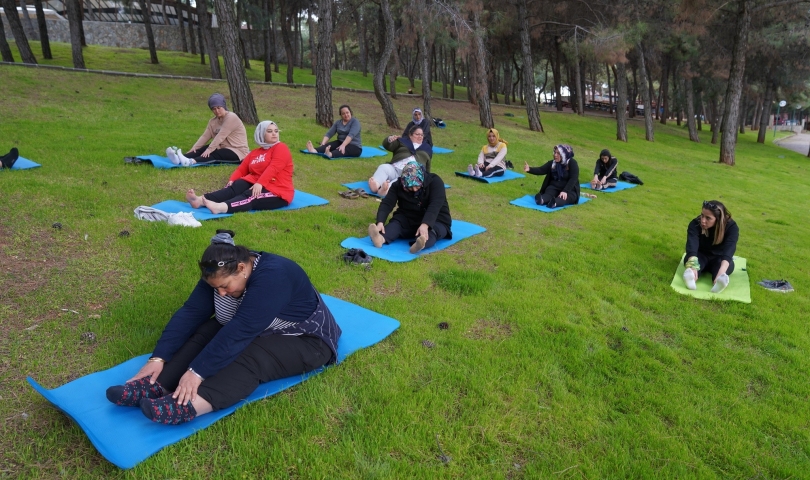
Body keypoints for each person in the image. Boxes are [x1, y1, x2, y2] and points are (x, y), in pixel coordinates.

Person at [106, 230, 342, 425]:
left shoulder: (275, 276)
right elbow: (191, 313)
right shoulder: (219, 273)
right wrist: (158, 358)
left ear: (242, 268)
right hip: (262, 327)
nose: (220, 293)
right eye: (215, 288)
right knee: (207, 331)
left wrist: (196, 373)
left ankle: (190, 404)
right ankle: (157, 385)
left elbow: (241, 330)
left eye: (225, 286)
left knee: (251, 354)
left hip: (308, 340)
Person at [185, 121, 294, 214]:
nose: (274, 134)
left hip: (278, 190)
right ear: (261, 134)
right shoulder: (255, 152)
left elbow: (274, 167)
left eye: (276, 131)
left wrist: (260, 183)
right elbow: (242, 169)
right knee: (236, 186)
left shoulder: (281, 148)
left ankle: (220, 208)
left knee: (252, 196)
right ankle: (199, 201)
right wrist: (232, 180)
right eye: (269, 131)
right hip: (256, 182)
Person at [367, 161, 452, 254]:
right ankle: (380, 239)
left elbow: (435, 205)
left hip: (437, 219)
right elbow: (387, 203)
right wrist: (380, 222)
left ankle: (419, 244)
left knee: (430, 232)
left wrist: (425, 224)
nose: (414, 190)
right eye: (409, 188)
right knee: (395, 225)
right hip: (409, 217)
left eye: (417, 186)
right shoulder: (397, 185)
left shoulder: (435, 182)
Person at [167, 93, 250, 166]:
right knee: (201, 150)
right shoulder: (213, 121)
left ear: (224, 106)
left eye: (219, 107)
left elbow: (221, 136)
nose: (217, 111)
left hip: (238, 151)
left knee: (213, 153)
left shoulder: (231, 117)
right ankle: (179, 158)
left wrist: (209, 149)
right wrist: (193, 148)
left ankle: (190, 162)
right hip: (222, 146)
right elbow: (204, 137)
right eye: (214, 109)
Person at [683, 200, 739, 293]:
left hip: (719, 257)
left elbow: (730, 248)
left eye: (708, 218)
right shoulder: (695, 224)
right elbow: (691, 244)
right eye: (702, 215)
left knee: (723, 269)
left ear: (718, 219)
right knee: (692, 263)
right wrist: (693, 265)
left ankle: (718, 284)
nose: (703, 220)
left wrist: (722, 271)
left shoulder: (731, 227)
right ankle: (691, 278)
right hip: (700, 255)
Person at [370, 126, 433, 197]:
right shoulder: (402, 141)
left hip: (409, 173)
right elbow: (387, 145)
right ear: (410, 135)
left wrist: (427, 178)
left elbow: (427, 166)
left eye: (422, 135)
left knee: (400, 180)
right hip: (395, 168)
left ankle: (385, 190)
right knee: (383, 167)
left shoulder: (427, 149)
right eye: (417, 134)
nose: (420, 136)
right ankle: (376, 184)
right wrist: (390, 139)